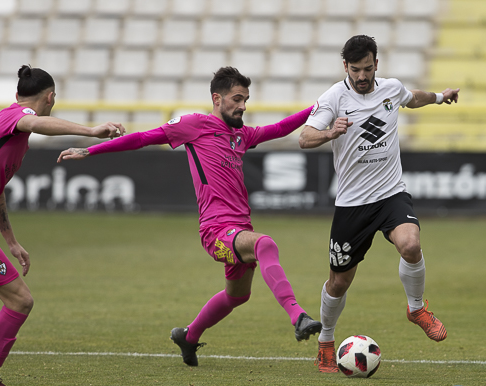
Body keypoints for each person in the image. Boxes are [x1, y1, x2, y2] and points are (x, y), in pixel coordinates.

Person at [57, 66, 322, 367]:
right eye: (237, 98)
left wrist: (318, 106)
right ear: (217, 99)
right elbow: (144, 138)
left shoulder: (241, 136)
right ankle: (297, 315)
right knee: (265, 245)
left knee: (237, 296)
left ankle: (189, 336)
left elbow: (279, 128)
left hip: (238, 228)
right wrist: (92, 151)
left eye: (246, 99)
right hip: (216, 230)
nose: (243, 106)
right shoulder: (194, 124)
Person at [0, 65, 125, 386]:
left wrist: (11, 241)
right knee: (20, 300)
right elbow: (34, 121)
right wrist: (91, 131)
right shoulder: (15, 117)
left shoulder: (9, 132)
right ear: (50, 98)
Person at [299, 35, 459, 373]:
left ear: (376, 64)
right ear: (345, 66)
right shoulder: (333, 98)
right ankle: (326, 340)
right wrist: (330, 133)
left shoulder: (390, 88)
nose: (362, 76)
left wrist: (440, 97)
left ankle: (416, 309)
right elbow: (304, 137)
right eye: (355, 69)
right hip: (352, 205)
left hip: (390, 194)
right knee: (339, 283)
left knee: (411, 245)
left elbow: (412, 98)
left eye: (367, 69)